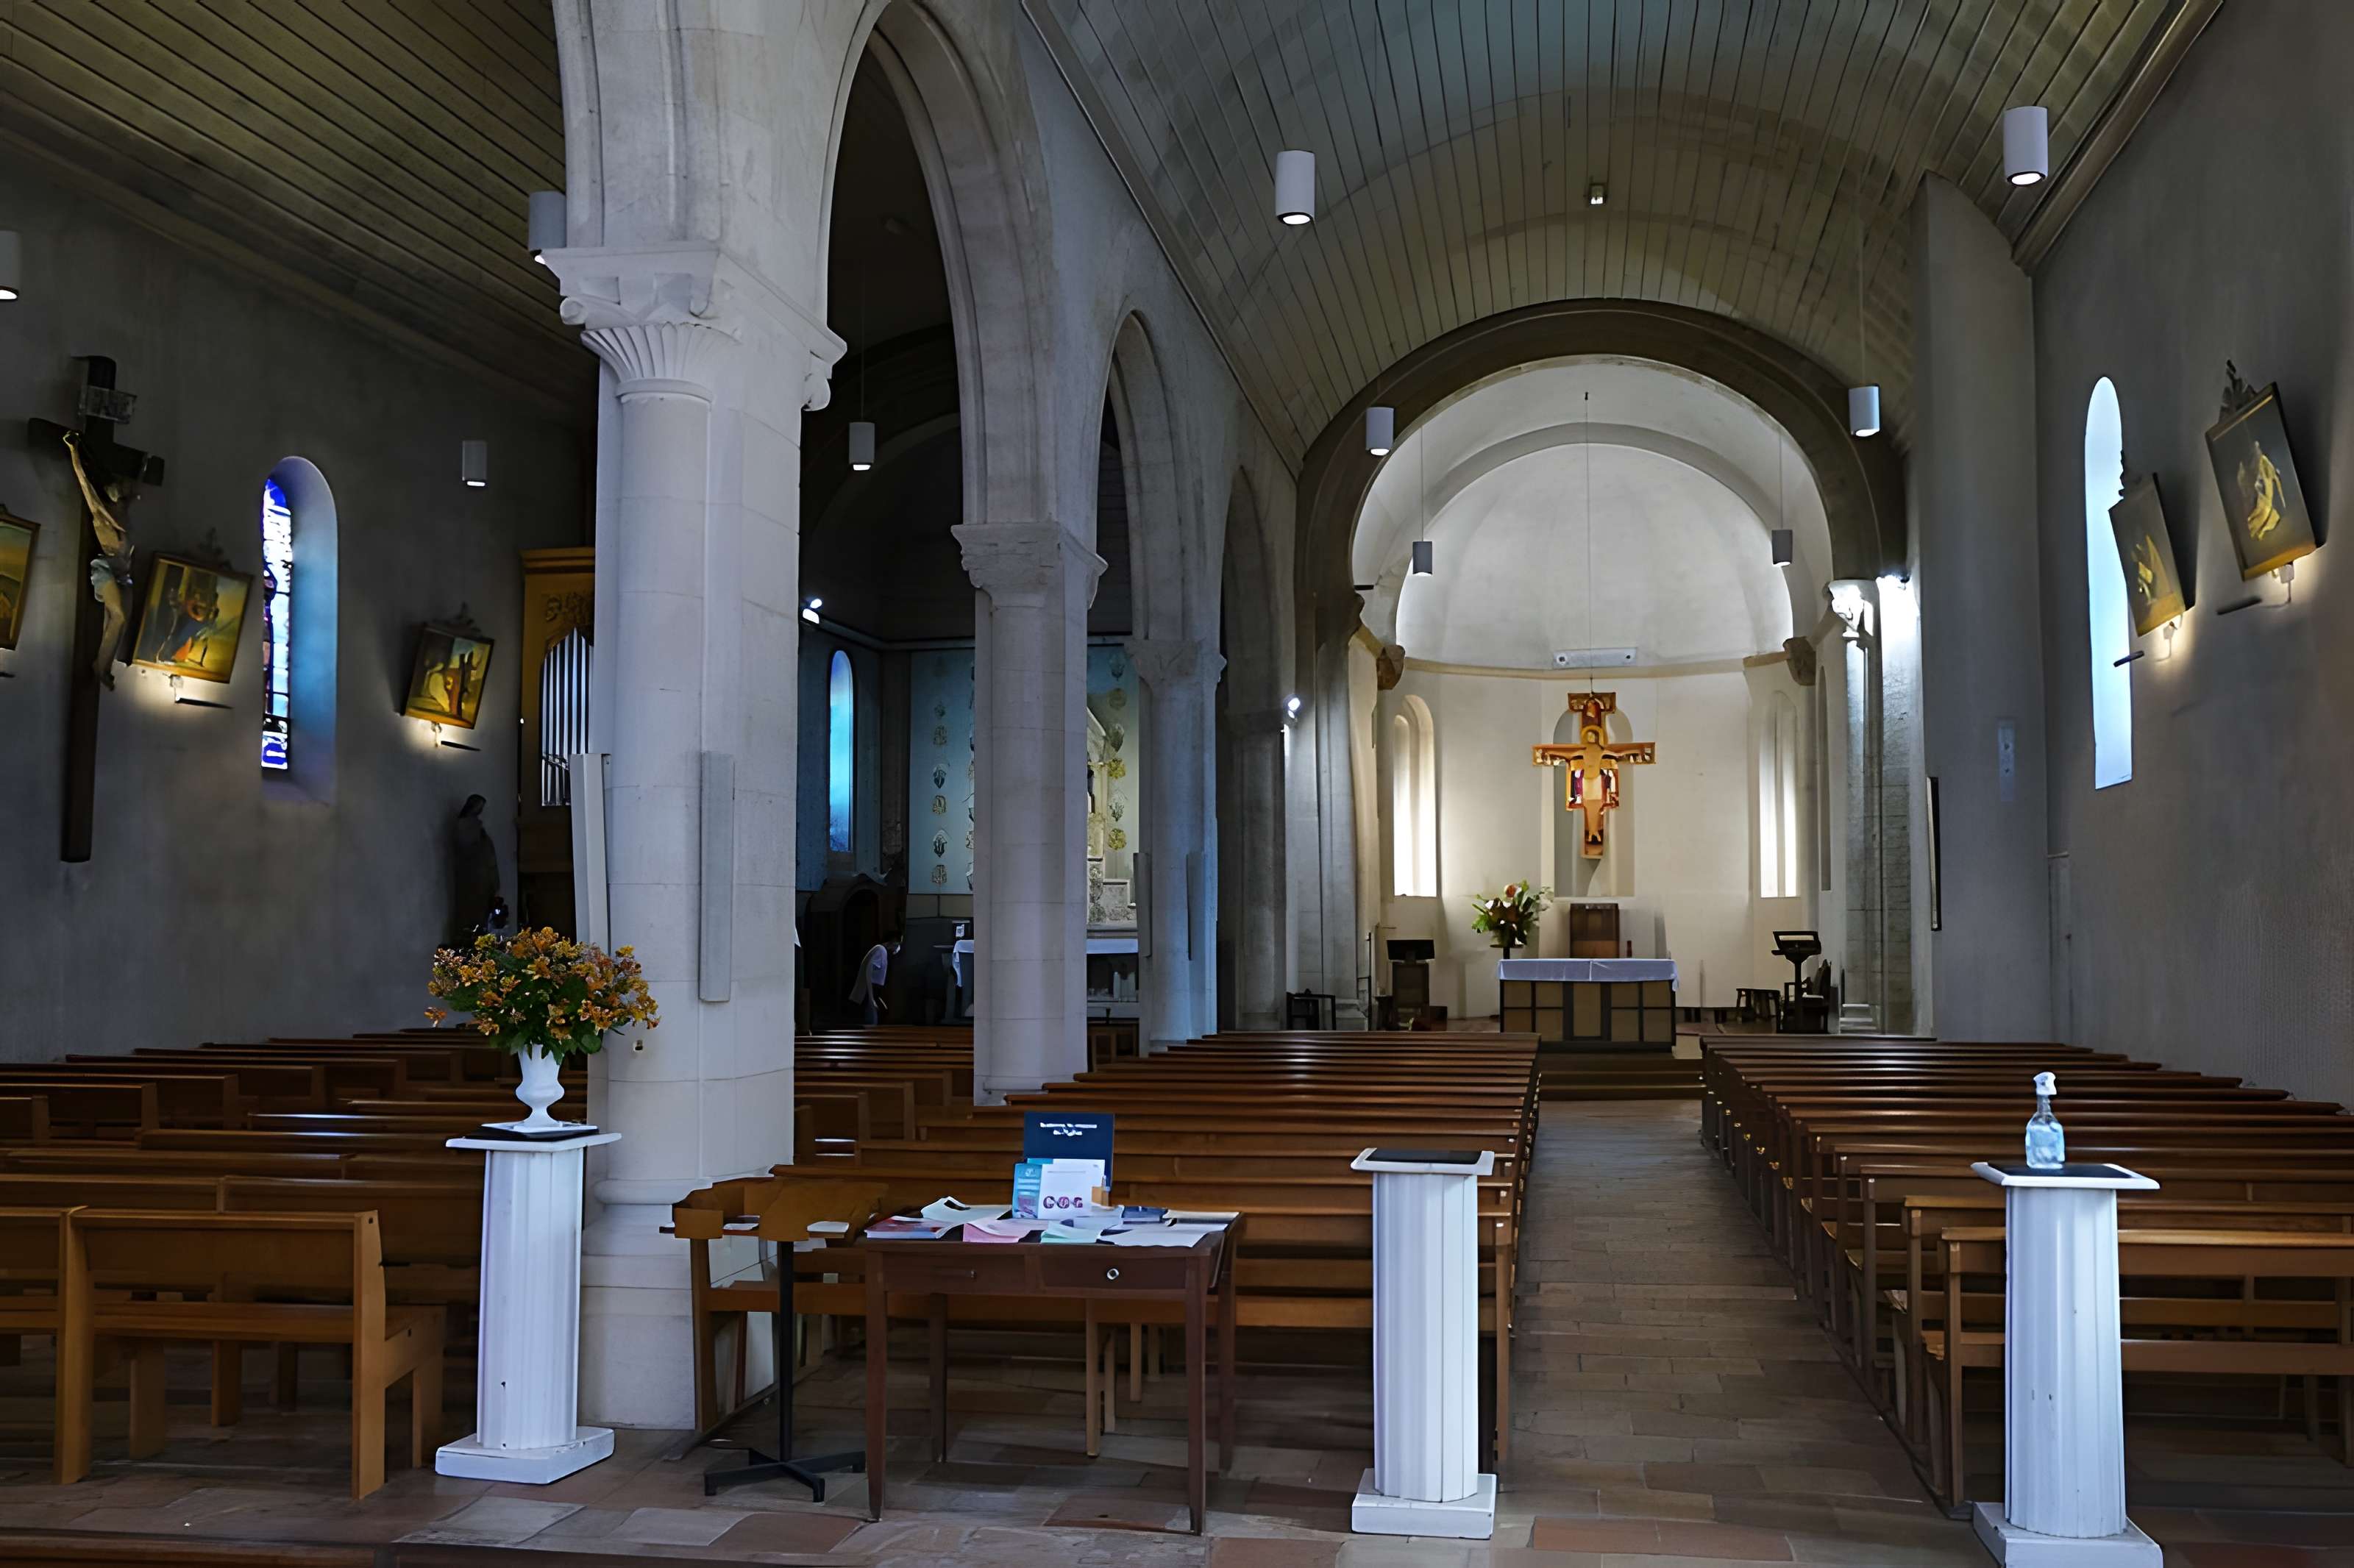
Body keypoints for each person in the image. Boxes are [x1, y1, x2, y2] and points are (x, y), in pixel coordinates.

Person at [849, 930, 903, 1027]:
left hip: (873, 992)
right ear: (894, 942)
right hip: (870, 991)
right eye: (898, 944)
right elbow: (868, 971)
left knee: (878, 1019)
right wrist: (871, 997)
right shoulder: (880, 950)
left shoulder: (881, 951)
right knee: (871, 1024)